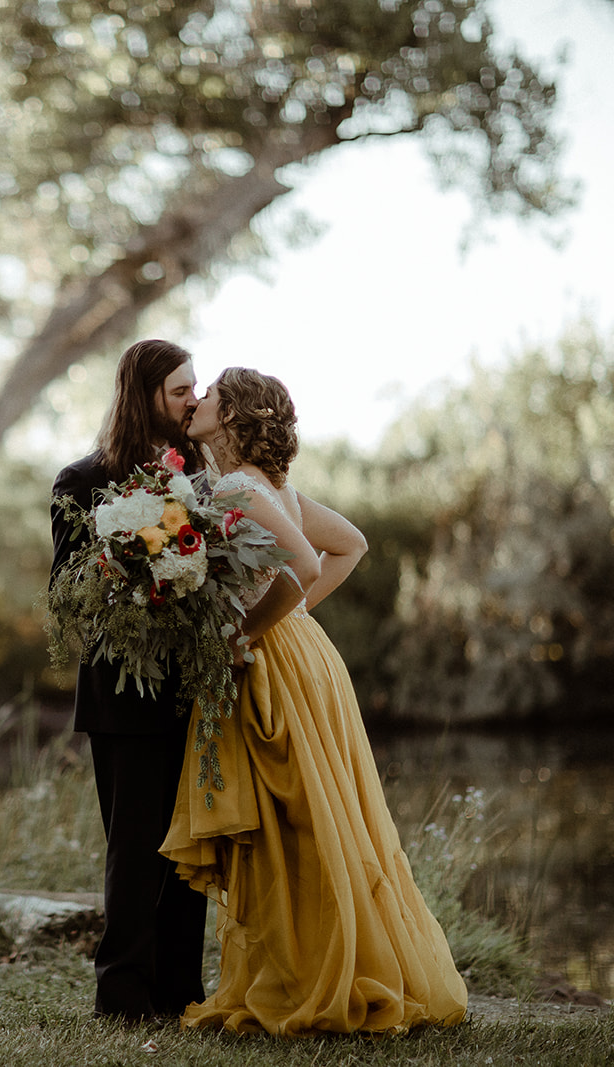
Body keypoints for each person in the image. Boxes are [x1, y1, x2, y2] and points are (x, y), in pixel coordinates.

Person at [159, 367, 468, 1035]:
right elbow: (349, 544)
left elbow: (301, 564)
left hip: (272, 659)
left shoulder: (241, 486)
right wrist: (293, 617)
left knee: (293, 821)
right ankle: (312, 966)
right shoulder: (270, 488)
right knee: (310, 818)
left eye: (211, 390)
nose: (200, 398)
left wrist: (247, 630)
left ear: (234, 413)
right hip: (303, 653)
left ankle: (315, 976)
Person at [50, 338, 209, 1023]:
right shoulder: (81, 480)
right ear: (144, 394)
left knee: (188, 849)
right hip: (121, 691)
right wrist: (136, 557)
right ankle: (122, 997)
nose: (193, 401)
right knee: (135, 851)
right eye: (180, 390)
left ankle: (181, 991)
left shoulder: (198, 474)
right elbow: (64, 589)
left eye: (195, 389)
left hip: (191, 686)